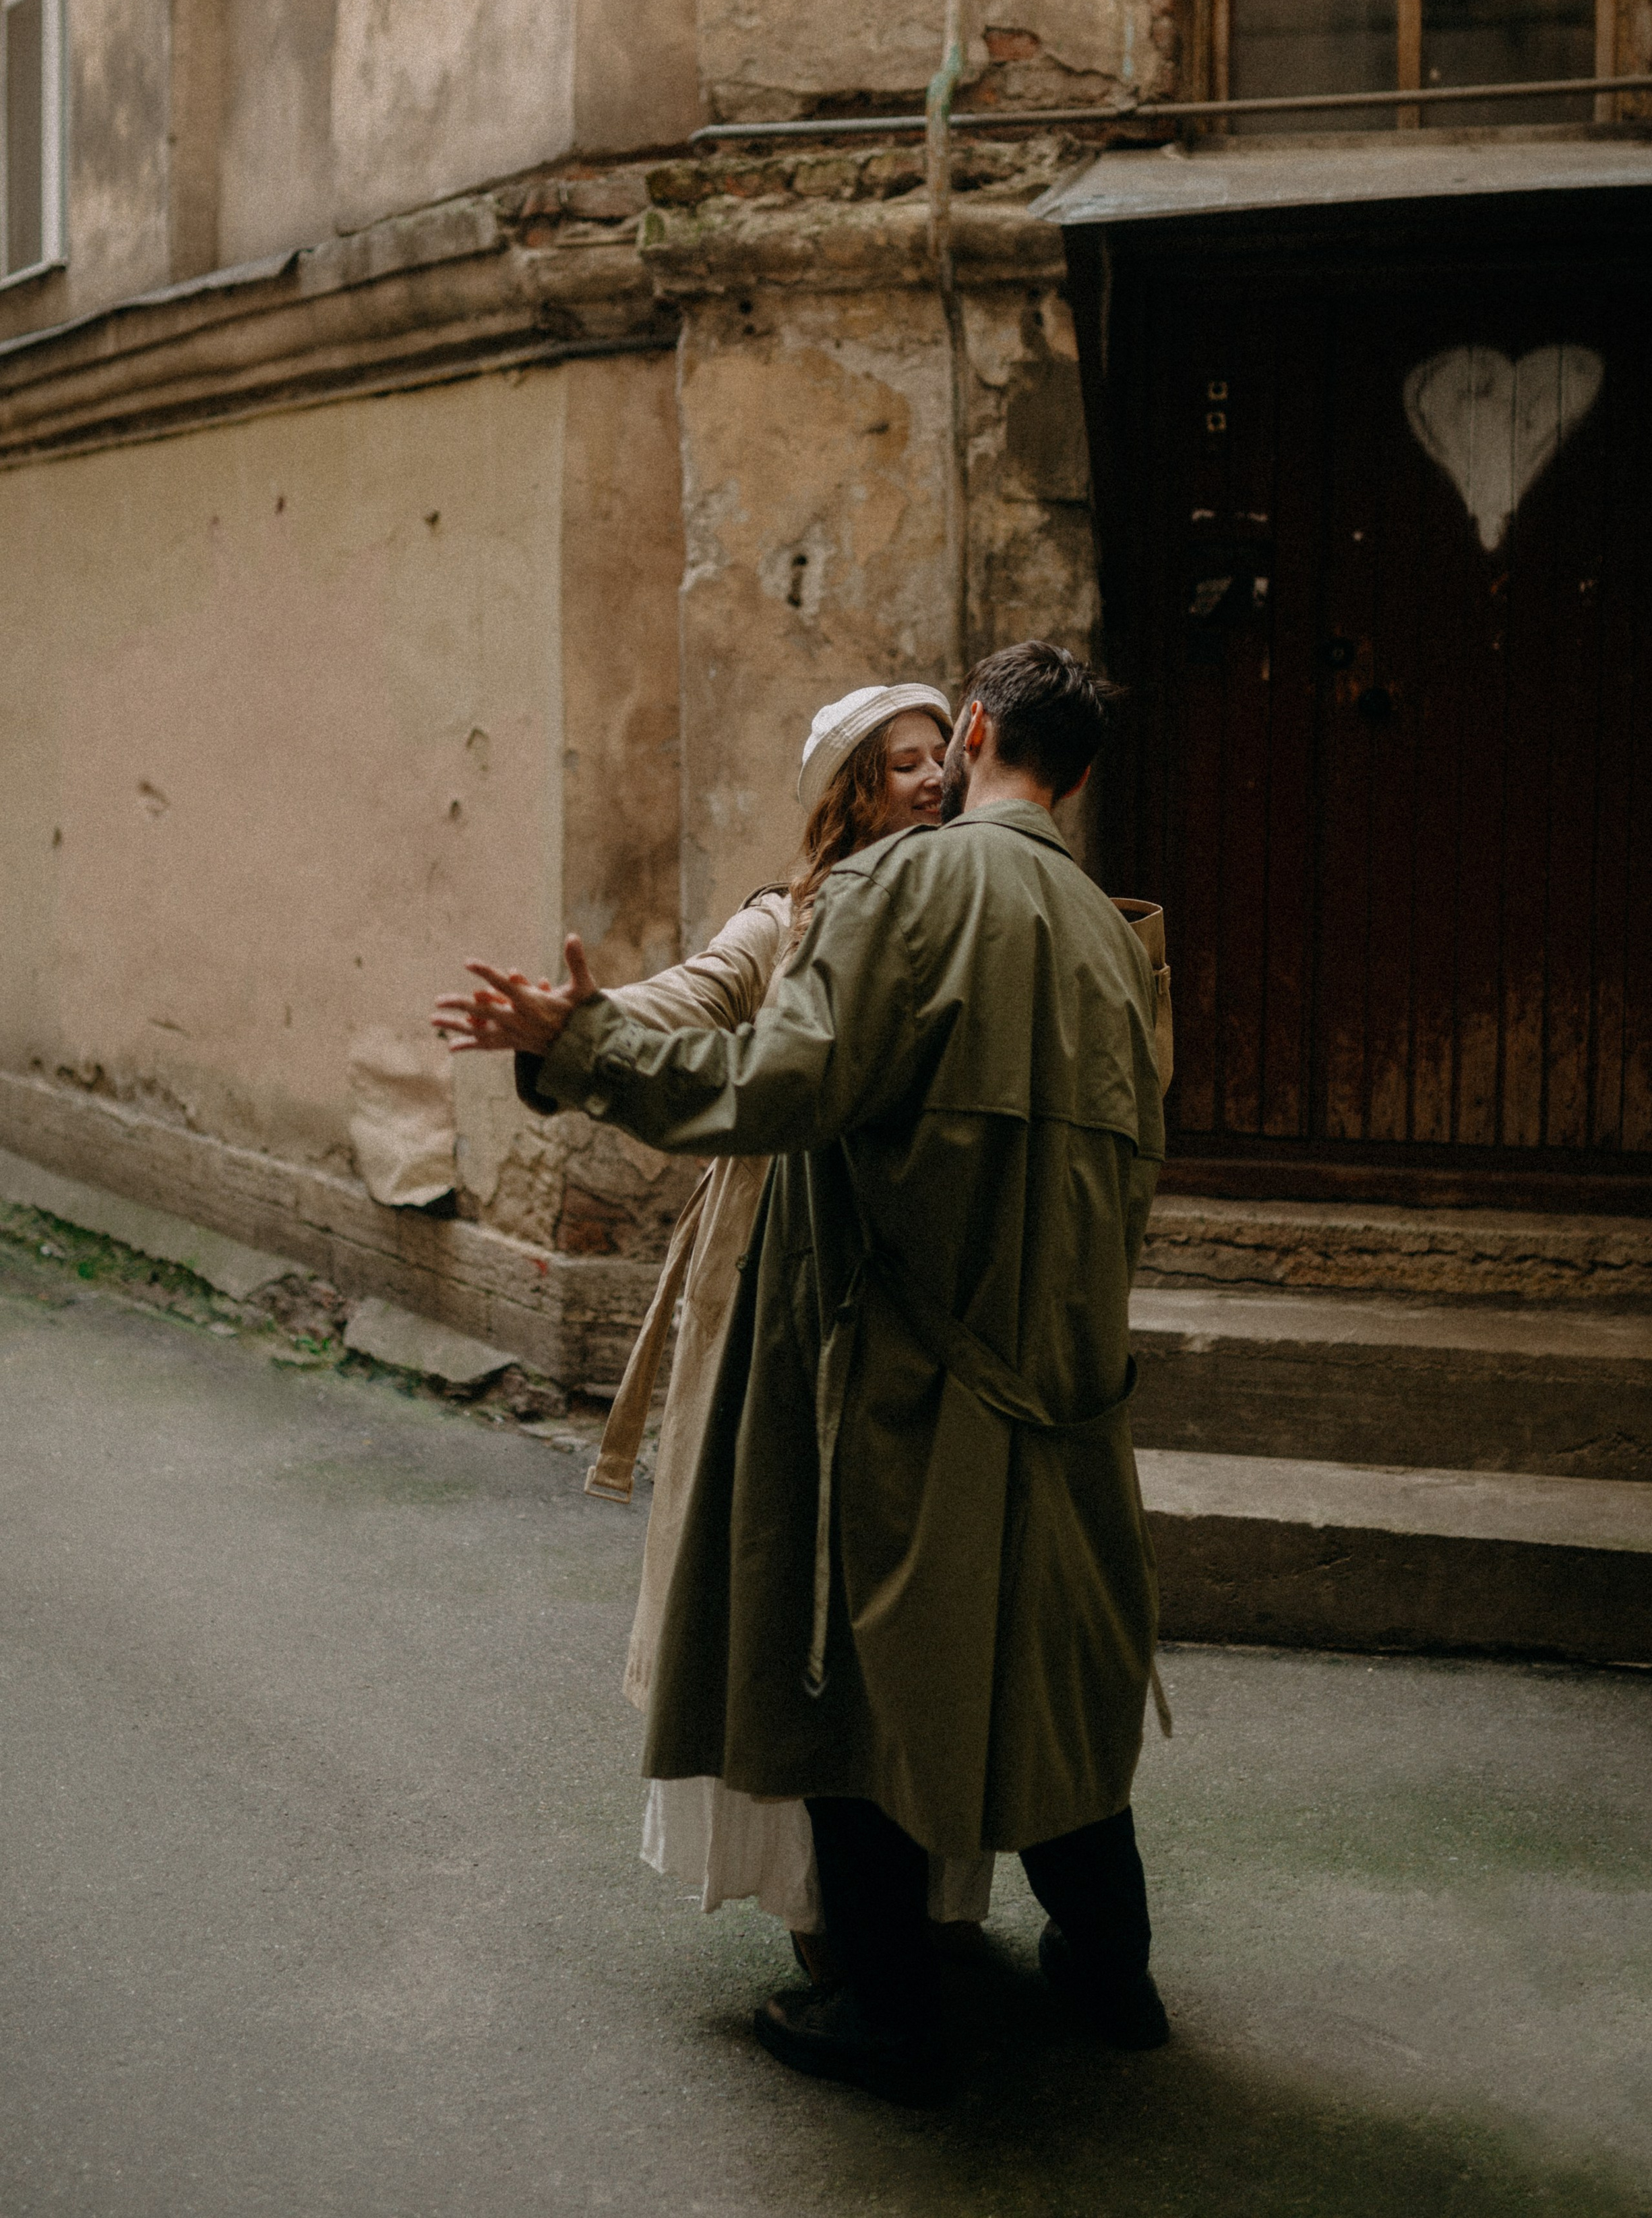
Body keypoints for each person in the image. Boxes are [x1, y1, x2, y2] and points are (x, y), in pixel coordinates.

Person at [439, 640, 1168, 2106]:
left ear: (975, 730)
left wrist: (581, 1047)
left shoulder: (904, 885)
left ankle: (886, 2008)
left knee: (856, 1683)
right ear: (1081, 774)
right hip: (1065, 1376)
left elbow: (779, 1083)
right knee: (1053, 1674)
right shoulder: (1113, 931)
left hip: (903, 1365)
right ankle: (1112, 1973)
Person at [439, 682, 993, 1971]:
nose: (929, 779)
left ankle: (925, 1904)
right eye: (900, 764)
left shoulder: (972, 908)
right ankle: (821, 1905)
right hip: (777, 1285)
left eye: (939, 758)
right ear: (852, 794)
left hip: (919, 1291)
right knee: (780, 1583)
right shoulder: (787, 918)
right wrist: (577, 1030)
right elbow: (690, 997)